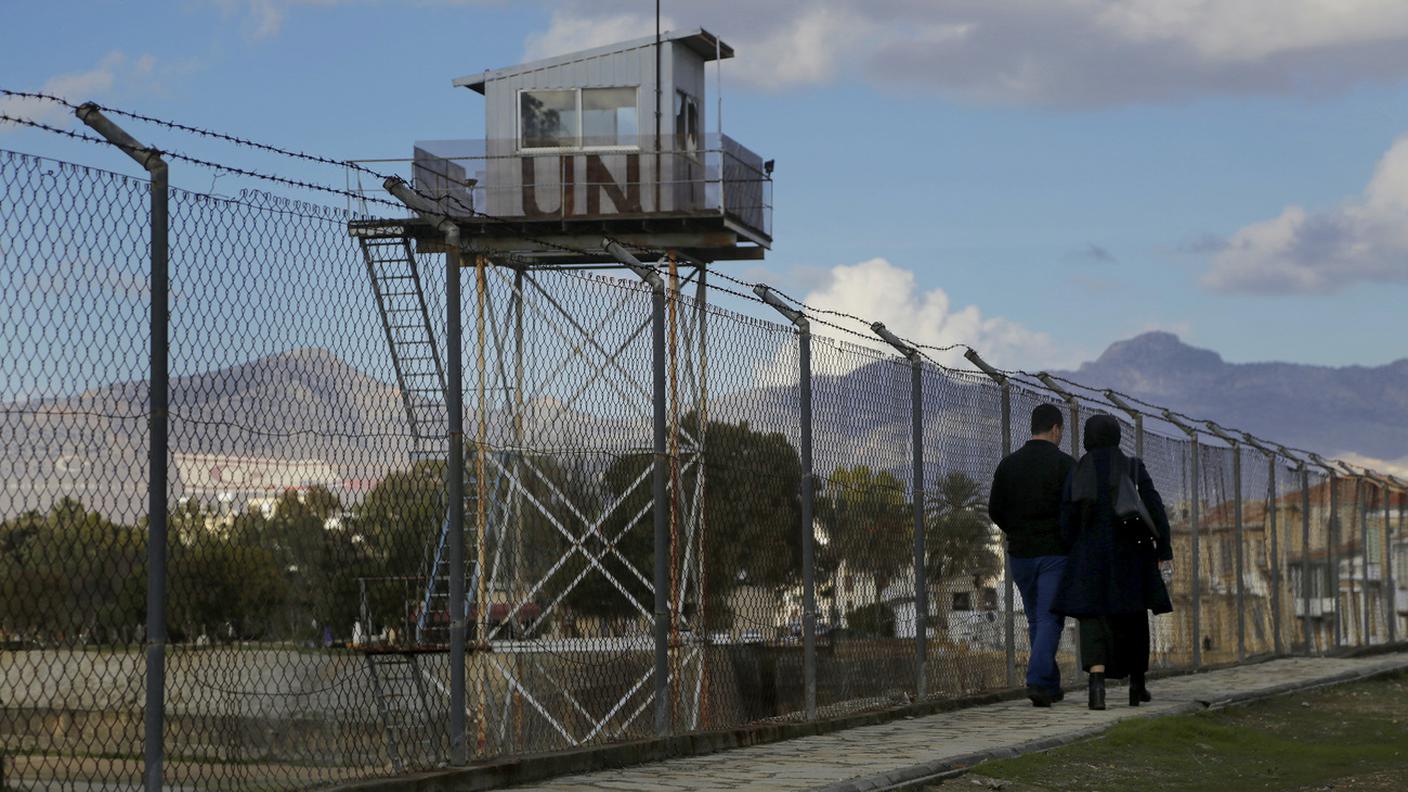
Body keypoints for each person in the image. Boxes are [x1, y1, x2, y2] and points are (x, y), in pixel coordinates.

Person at [1052, 414, 1174, 710]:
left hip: (1089, 556)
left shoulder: (1079, 469)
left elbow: (1066, 516)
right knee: (1133, 616)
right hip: (1131, 554)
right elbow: (1155, 506)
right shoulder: (1132, 467)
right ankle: (1136, 684)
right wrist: (1163, 548)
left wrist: (1072, 546)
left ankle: (1096, 687)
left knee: (1092, 616)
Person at [989, 403, 1076, 707]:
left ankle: (1050, 684)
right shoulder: (1066, 465)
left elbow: (995, 510)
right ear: (1056, 429)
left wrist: (1017, 529)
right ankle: (1038, 681)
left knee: (1037, 618)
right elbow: (1077, 509)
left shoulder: (1008, 465)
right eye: (1061, 431)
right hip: (1055, 553)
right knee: (1050, 617)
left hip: (1021, 554)